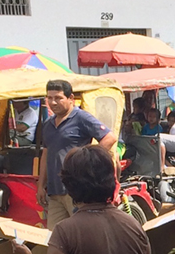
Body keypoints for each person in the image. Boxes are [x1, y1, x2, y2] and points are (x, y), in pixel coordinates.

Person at [38, 79, 118, 231]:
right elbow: (46, 154)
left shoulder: (81, 118)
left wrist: (88, 160)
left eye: (58, 98)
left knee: (82, 233)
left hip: (77, 190)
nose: (53, 102)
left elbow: (109, 138)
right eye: (50, 98)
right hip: (55, 192)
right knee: (55, 235)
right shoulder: (48, 124)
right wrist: (40, 185)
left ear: (70, 98)